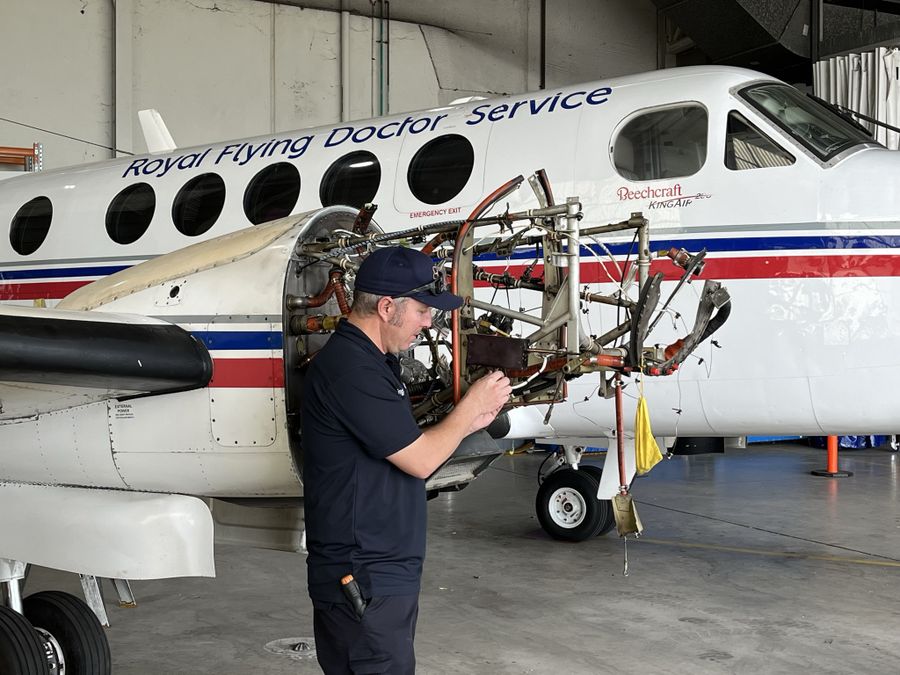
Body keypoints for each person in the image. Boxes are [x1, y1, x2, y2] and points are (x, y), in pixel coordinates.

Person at [301, 246, 512, 675]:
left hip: (379, 571)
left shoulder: (374, 364)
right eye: (421, 310)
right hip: (362, 574)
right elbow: (419, 459)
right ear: (386, 307)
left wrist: (472, 418)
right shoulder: (351, 370)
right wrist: (469, 411)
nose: (428, 322)